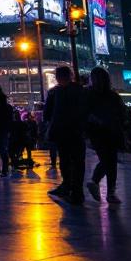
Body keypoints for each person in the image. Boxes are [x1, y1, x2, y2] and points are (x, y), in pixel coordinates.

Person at [43, 65, 87, 205]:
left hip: (61, 131)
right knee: (78, 161)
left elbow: (47, 114)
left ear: (57, 77)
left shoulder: (54, 92)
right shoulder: (80, 90)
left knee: (65, 160)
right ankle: (77, 191)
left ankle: (67, 186)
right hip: (76, 130)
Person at [84, 66, 125, 204]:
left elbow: (84, 113)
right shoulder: (112, 95)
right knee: (110, 160)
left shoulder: (87, 94)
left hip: (96, 133)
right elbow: (122, 113)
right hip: (110, 131)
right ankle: (108, 191)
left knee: (107, 160)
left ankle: (96, 183)